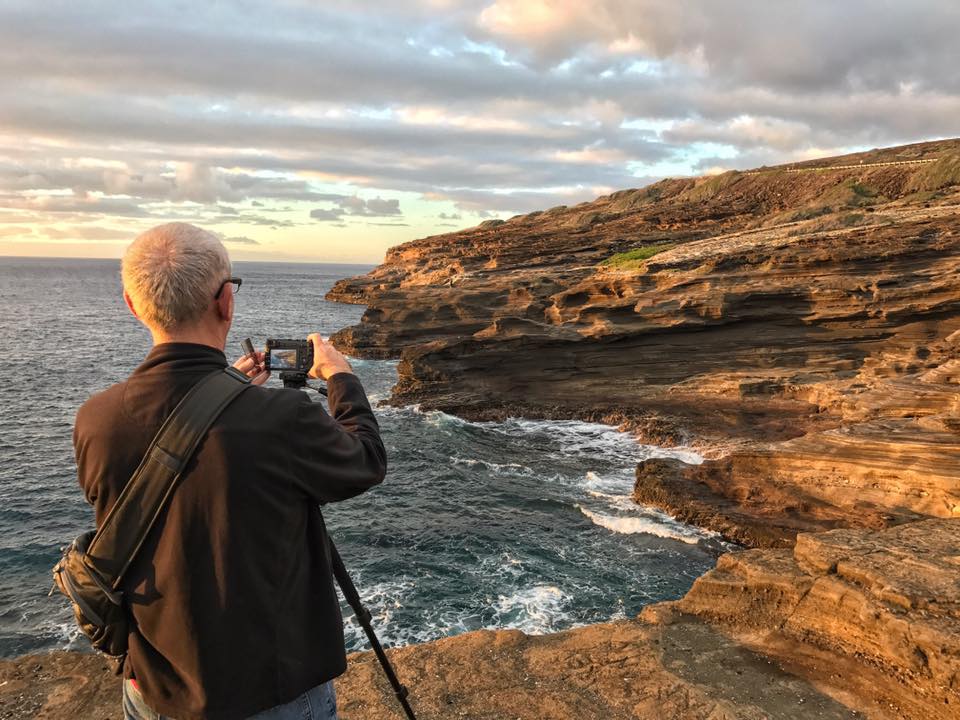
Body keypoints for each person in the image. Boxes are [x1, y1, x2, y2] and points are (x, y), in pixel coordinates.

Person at [73, 222, 386, 720]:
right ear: (226, 302)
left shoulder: (96, 418)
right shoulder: (281, 419)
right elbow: (365, 461)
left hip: (154, 685)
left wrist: (221, 392)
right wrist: (341, 377)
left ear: (132, 305)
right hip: (272, 689)